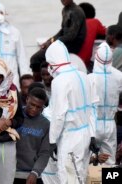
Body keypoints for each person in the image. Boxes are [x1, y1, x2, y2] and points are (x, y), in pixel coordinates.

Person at [45, 40, 96, 184]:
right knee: (81, 176)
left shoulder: (59, 81)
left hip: (70, 137)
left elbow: (58, 115)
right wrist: (92, 134)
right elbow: (92, 109)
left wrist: (52, 140)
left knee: (67, 177)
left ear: (52, 63)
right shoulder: (83, 76)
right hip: (86, 133)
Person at [30, 0, 86, 79]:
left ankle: (37, 86)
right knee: (40, 57)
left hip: (73, 45)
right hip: (64, 43)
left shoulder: (76, 12)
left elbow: (71, 36)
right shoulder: (65, 10)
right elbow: (63, 31)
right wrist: (49, 40)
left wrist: (52, 43)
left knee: (35, 59)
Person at [88, 42, 122, 165]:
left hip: (93, 125)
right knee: (110, 163)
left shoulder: (90, 78)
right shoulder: (119, 76)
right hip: (109, 125)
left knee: (91, 161)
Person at [15, 88, 50, 184]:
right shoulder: (14, 115)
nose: (34, 109)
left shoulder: (46, 124)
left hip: (32, 175)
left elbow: (44, 153)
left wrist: (35, 172)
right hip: (10, 174)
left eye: (38, 107)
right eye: (32, 104)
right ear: (27, 100)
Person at [78, 2, 106, 71]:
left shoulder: (75, 24)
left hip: (74, 60)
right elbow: (106, 32)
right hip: (85, 62)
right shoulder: (94, 22)